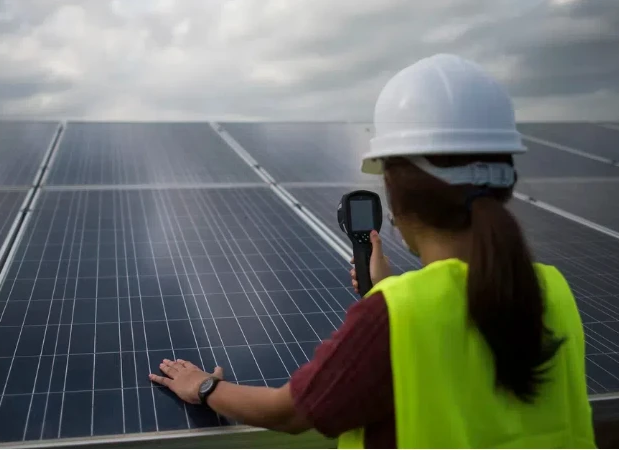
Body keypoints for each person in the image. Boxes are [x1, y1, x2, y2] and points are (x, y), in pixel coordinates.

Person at [149, 54, 596, 448]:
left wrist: (203, 387)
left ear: (395, 191)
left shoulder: (395, 315)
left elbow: (288, 413)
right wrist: (391, 293)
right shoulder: (551, 289)